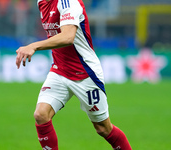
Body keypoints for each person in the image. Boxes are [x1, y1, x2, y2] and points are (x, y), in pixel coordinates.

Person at [16, 0, 132, 149]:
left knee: (103, 128)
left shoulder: (68, 2)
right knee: (41, 115)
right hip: (59, 71)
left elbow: (67, 37)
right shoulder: (42, 2)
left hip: (85, 73)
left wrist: (33, 46)